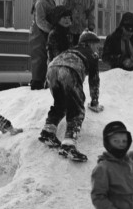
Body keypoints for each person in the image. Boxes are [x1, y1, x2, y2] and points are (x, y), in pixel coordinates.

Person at [40, 31, 103, 162]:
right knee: (77, 109)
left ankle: (48, 132)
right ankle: (68, 145)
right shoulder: (92, 55)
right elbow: (94, 79)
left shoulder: (71, 50)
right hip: (70, 70)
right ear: (89, 44)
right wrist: (94, 101)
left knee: (61, 103)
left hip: (52, 69)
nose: (98, 49)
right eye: (96, 45)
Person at [29, 0, 61, 89]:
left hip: (45, 34)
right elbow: (40, 21)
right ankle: (37, 82)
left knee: (45, 57)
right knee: (39, 57)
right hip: (38, 34)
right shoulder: (41, 1)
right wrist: (52, 30)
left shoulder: (49, 0)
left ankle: (43, 80)